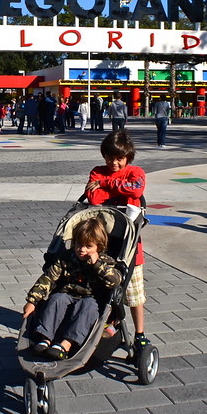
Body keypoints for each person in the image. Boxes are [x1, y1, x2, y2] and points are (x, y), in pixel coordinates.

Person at [85, 130, 149, 356]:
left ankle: (140, 333)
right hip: (103, 243)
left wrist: (105, 184)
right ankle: (109, 324)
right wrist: (112, 186)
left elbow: (136, 189)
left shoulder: (135, 172)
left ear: (128, 157)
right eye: (109, 158)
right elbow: (94, 198)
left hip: (130, 246)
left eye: (119, 158)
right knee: (104, 288)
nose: (114, 162)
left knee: (134, 294)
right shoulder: (96, 171)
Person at [22, 216, 122, 360]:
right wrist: (32, 301)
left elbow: (115, 281)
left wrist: (98, 265)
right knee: (56, 299)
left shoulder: (106, 262)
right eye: (78, 245)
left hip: (92, 299)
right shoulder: (66, 258)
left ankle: (66, 344)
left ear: (99, 247)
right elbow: (48, 278)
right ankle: (45, 338)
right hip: (68, 294)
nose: (82, 250)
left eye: (88, 246)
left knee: (87, 306)